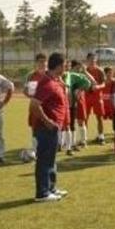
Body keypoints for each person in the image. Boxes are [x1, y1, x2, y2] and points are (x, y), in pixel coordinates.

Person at [29, 52, 70, 202]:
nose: (66, 67)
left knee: (51, 160)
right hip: (46, 128)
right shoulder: (46, 83)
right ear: (59, 66)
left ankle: (51, 188)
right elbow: (34, 104)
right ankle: (42, 193)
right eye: (64, 65)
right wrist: (47, 121)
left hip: (53, 128)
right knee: (45, 160)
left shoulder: (55, 81)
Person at [23, 53, 48, 159]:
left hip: (48, 106)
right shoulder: (31, 75)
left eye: (44, 61)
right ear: (36, 63)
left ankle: (49, 148)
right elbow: (25, 91)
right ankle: (35, 149)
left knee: (48, 126)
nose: (42, 63)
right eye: (40, 61)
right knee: (35, 127)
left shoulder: (51, 74)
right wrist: (32, 97)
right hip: (34, 106)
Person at [84, 52, 108, 145]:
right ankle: (84, 138)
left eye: (94, 59)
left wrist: (98, 87)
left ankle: (101, 136)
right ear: (87, 60)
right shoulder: (84, 71)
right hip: (86, 97)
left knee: (99, 117)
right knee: (85, 118)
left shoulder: (100, 70)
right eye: (90, 59)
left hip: (97, 97)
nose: (92, 61)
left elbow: (104, 84)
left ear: (96, 60)